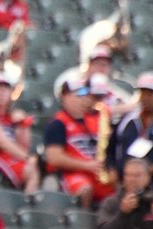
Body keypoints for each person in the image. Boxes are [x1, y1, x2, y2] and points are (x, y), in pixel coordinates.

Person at [44, 77, 114, 209]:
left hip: (96, 173)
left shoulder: (96, 120)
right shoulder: (57, 124)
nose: (85, 101)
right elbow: (53, 158)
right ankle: (81, 224)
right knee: (84, 189)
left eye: (87, 96)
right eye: (79, 96)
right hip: (70, 173)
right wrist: (86, 165)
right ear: (65, 97)